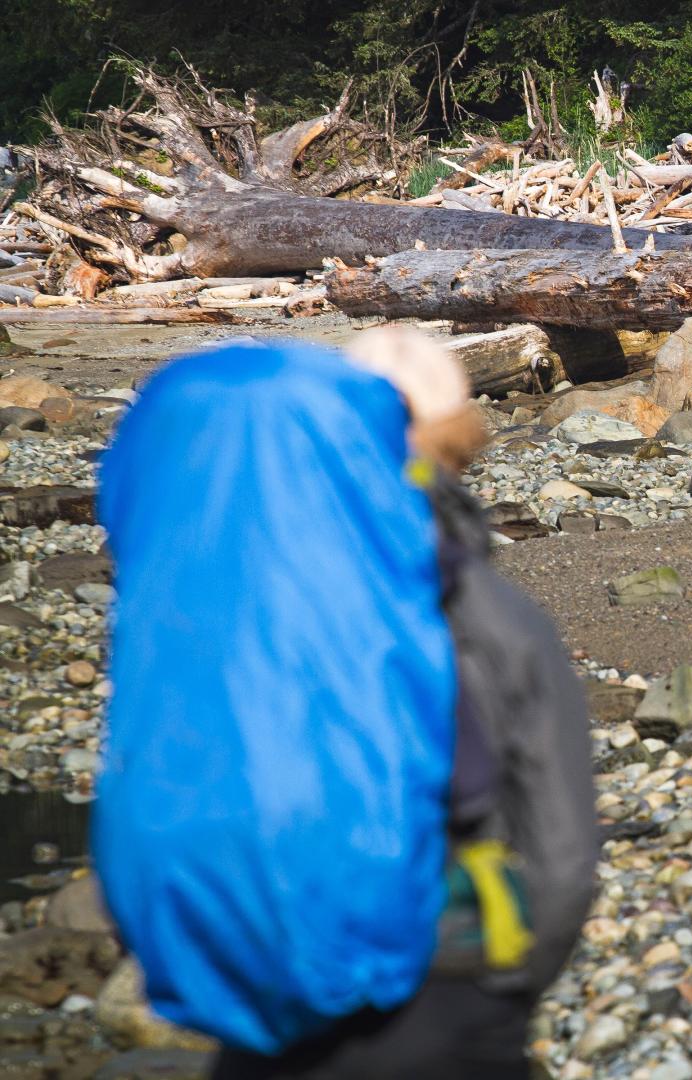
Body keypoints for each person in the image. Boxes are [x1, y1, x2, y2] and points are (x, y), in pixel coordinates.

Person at [93, 329, 598, 1080]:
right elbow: (562, 851)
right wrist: (511, 986)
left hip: (262, 1007)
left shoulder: (206, 607)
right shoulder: (472, 604)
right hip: (443, 986)